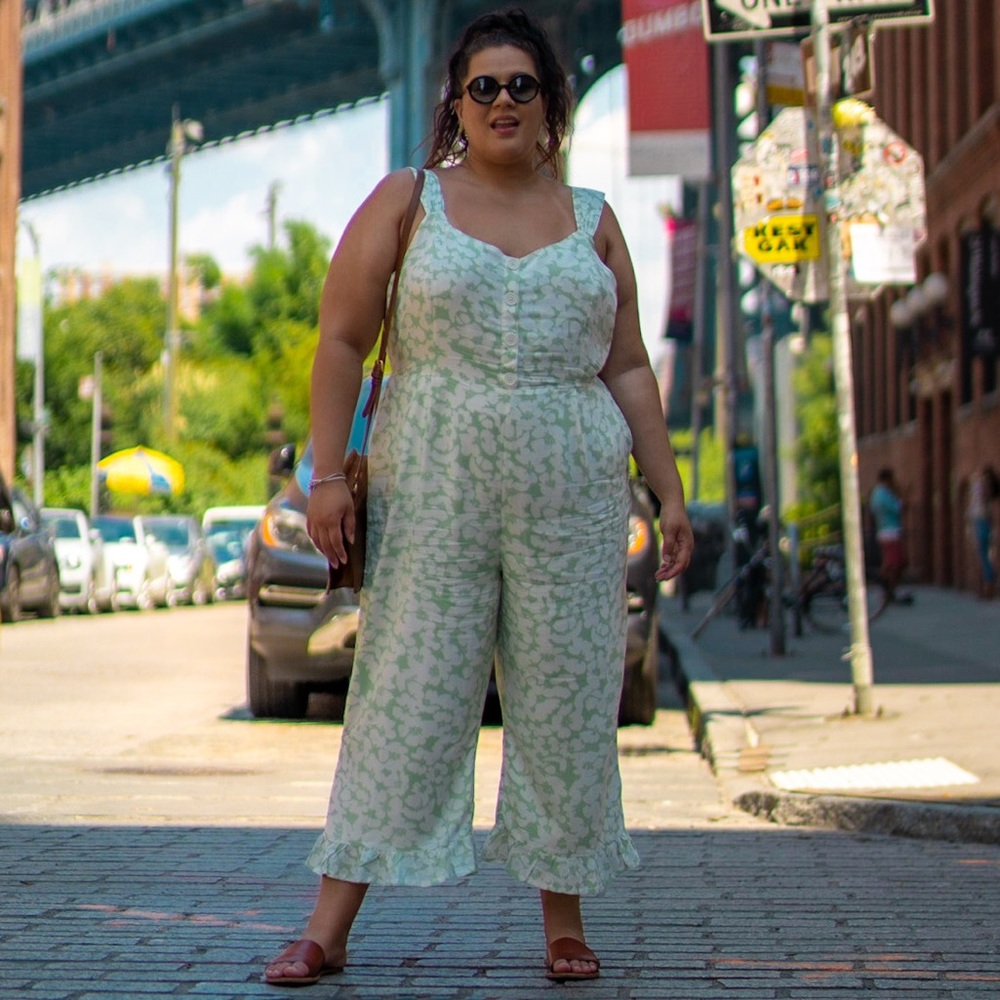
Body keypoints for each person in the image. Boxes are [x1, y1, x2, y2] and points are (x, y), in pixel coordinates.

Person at [263, 7, 693, 987]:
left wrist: (667, 491)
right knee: (405, 698)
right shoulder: (408, 200)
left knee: (568, 702)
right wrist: (328, 474)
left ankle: (563, 922)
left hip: (575, 499)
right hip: (432, 496)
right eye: (482, 87)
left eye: (521, 86)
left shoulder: (594, 219)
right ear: (456, 104)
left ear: (552, 105)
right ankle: (326, 926)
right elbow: (338, 340)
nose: (502, 101)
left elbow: (627, 368)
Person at [868, 467, 906, 603]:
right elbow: (898, 508)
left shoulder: (875, 494)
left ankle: (887, 589)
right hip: (891, 532)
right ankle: (887, 589)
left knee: (890, 562)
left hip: (883, 531)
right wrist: (898, 493)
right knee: (894, 563)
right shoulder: (885, 494)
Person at [968, 464, 999, 600]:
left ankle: (988, 587)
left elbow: (977, 502)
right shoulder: (987, 486)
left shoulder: (982, 485)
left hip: (980, 521)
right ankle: (987, 586)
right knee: (986, 555)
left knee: (984, 556)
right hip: (983, 522)